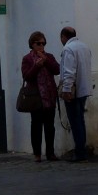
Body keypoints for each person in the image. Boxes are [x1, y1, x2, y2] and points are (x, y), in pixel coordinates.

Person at [20, 31, 60, 162]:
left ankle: (50, 153)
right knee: (36, 126)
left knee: (50, 126)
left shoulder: (49, 56)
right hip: (36, 98)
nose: (41, 46)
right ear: (32, 44)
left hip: (49, 96)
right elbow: (26, 76)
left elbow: (57, 69)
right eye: (38, 43)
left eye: (43, 43)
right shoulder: (27, 59)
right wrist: (36, 66)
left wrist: (46, 61)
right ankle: (37, 153)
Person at [58, 25, 93, 162]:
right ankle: (81, 149)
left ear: (63, 37)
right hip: (84, 89)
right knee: (80, 120)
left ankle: (80, 152)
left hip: (73, 90)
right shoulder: (84, 47)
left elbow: (69, 72)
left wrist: (66, 90)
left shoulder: (68, 49)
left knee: (75, 121)